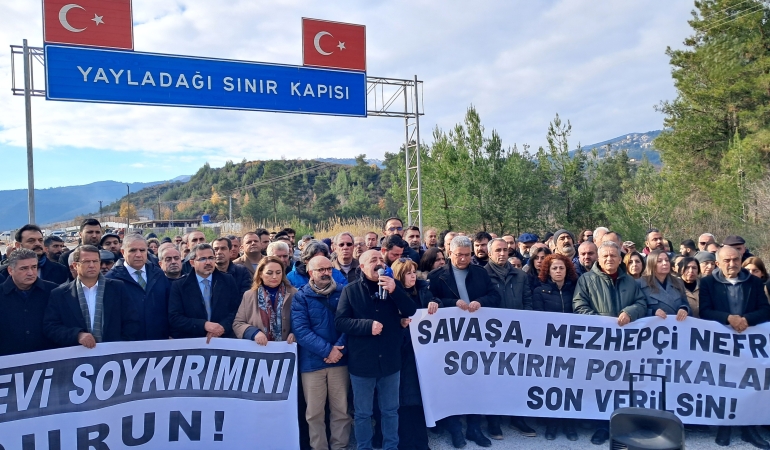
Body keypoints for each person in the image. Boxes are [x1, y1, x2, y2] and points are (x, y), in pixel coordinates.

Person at [335, 250, 418, 450]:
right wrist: (366, 326)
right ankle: (364, 447)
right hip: (363, 362)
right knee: (363, 413)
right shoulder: (350, 290)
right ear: (362, 267)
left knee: (390, 410)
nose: (379, 263)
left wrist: (395, 291)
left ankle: (391, 447)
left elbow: (410, 310)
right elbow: (340, 322)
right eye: (373, 260)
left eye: (381, 259)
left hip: (390, 360)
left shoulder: (393, 285)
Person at [428, 236, 500, 448]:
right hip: (449, 340)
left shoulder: (480, 273)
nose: (462, 259)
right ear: (449, 253)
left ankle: (474, 428)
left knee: (475, 383)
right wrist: (452, 303)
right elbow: (429, 301)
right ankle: (454, 429)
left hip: (477, 337)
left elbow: (495, 296)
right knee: (451, 385)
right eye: (458, 254)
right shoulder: (436, 276)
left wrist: (481, 302)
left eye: (467, 255)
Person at [573, 241, 647, 445]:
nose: (609, 259)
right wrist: (601, 323)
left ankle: (623, 426)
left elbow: (642, 303)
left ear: (619, 257)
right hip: (599, 344)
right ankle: (601, 426)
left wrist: (630, 313)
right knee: (601, 385)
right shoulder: (586, 280)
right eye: (604, 256)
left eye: (613, 256)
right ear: (598, 257)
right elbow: (579, 306)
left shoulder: (631, 282)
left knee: (624, 384)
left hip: (626, 344)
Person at [700, 246, 770, 448]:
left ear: (741, 259)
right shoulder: (707, 283)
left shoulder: (755, 283)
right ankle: (725, 427)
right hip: (720, 345)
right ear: (718, 263)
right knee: (723, 384)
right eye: (727, 261)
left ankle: (749, 429)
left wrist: (746, 320)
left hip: (748, 344)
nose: (732, 264)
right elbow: (705, 311)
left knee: (748, 384)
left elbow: (765, 310)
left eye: (735, 260)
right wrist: (728, 319)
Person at [291, 255, 351, 450]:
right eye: (321, 270)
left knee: (341, 410)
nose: (326, 273)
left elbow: (350, 323)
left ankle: (339, 446)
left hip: (340, 361)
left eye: (328, 269)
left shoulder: (344, 292)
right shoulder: (301, 296)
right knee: (314, 413)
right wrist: (328, 350)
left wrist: (338, 350)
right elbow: (301, 330)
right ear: (310, 273)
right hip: (312, 363)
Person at [484, 238, 534, 440]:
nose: (502, 253)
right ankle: (493, 420)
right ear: (490, 253)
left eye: (505, 250)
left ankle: (517, 416)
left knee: (517, 377)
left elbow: (528, 301)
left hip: (517, 335)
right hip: (492, 337)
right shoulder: (482, 275)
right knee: (494, 378)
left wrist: (526, 321)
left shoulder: (520, 275)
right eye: (498, 250)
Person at [44, 245, 140, 348]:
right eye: (86, 262)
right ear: (75, 266)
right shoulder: (60, 294)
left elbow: (131, 321)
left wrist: (119, 345)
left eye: (95, 261)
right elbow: (51, 327)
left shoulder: (117, 288)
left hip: (113, 354)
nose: (91, 265)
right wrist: (77, 335)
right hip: (76, 356)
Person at [391, 258, 439, 450]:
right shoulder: (392, 295)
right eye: (409, 273)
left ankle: (420, 442)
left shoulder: (423, 290)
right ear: (400, 275)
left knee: (418, 399)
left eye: (414, 272)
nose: (413, 276)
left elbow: (436, 305)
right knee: (403, 401)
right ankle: (405, 442)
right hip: (401, 354)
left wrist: (435, 303)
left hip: (420, 354)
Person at [531, 253, 579, 440]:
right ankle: (552, 424)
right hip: (549, 347)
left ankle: (570, 425)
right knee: (552, 386)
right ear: (547, 271)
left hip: (572, 345)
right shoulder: (539, 291)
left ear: (567, 270)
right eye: (554, 268)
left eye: (561, 268)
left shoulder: (575, 289)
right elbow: (537, 318)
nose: (558, 271)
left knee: (571, 386)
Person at [104, 234, 171, 340]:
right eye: (133, 250)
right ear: (123, 252)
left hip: (158, 341)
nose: (138, 254)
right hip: (128, 345)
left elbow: (169, 306)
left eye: (142, 250)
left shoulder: (158, 274)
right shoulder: (111, 279)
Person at [168, 243, 241, 340]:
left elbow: (236, 310)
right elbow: (175, 318)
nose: (208, 262)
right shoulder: (179, 285)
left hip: (223, 340)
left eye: (211, 258)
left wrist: (222, 327)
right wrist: (204, 325)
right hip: (193, 342)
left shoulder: (228, 280)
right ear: (192, 263)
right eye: (202, 259)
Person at [0, 249, 58, 356]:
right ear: (10, 270)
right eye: (24, 268)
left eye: (34, 267)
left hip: (46, 358)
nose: (30, 273)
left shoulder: (53, 291)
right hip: (8, 361)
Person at [233, 256, 297, 344]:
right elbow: (238, 323)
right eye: (269, 273)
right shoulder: (249, 295)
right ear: (260, 274)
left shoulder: (294, 293)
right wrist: (254, 333)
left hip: (286, 349)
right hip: (260, 351)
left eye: (278, 272)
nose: (275, 277)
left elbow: (302, 320)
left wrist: (295, 332)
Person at [0, 224, 70, 285]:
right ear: (18, 245)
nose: (37, 244)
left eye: (40, 240)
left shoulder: (60, 270)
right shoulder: (3, 273)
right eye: (31, 241)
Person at [638, 250, 689, 320]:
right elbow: (637, 309)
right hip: (654, 327)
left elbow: (685, 303)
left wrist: (684, 309)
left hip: (677, 326)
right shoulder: (640, 284)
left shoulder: (678, 282)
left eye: (667, 260)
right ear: (651, 264)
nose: (665, 263)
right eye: (659, 261)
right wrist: (652, 312)